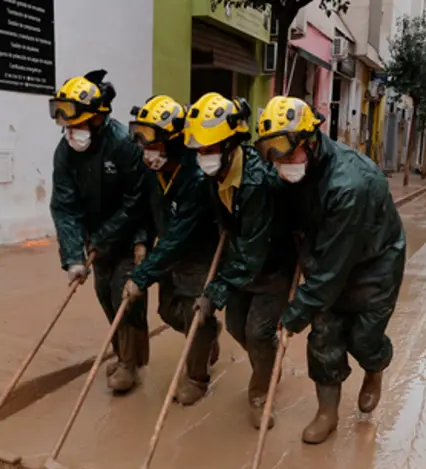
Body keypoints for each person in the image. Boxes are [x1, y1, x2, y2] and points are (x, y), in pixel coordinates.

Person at [254, 97, 407, 445]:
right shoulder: (291, 168)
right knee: (324, 335)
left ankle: (375, 365)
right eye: (271, 154)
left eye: (285, 153)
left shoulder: (349, 185)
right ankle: (328, 412)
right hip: (325, 254)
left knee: (362, 338)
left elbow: (332, 272)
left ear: (309, 142)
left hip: (374, 263)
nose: (279, 164)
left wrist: (293, 315)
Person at [183, 92, 297, 429]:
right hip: (239, 265)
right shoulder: (213, 175)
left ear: (231, 144)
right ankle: (269, 363)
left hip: (271, 266)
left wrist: (212, 294)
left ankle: (260, 391)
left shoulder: (257, 182)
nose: (203, 156)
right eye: (199, 150)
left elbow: (253, 253)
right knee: (235, 327)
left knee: (258, 333)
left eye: (209, 149)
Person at [49, 70, 154, 393]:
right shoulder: (65, 152)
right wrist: (73, 257)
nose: (71, 132)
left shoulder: (123, 145)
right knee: (104, 297)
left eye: (78, 124)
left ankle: (128, 364)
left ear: (97, 120)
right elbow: (64, 206)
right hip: (97, 240)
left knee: (125, 297)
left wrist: (114, 237)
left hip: (129, 235)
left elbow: (138, 200)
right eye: (67, 125)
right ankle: (129, 354)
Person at [121, 95, 223, 405]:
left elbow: (180, 233)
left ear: (174, 141)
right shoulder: (154, 171)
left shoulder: (195, 177)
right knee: (167, 310)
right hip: (168, 252)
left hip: (198, 253)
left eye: (151, 140)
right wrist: (141, 241)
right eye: (140, 138)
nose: (144, 148)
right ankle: (207, 337)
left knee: (196, 316)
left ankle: (197, 378)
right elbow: (144, 211)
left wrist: (142, 276)